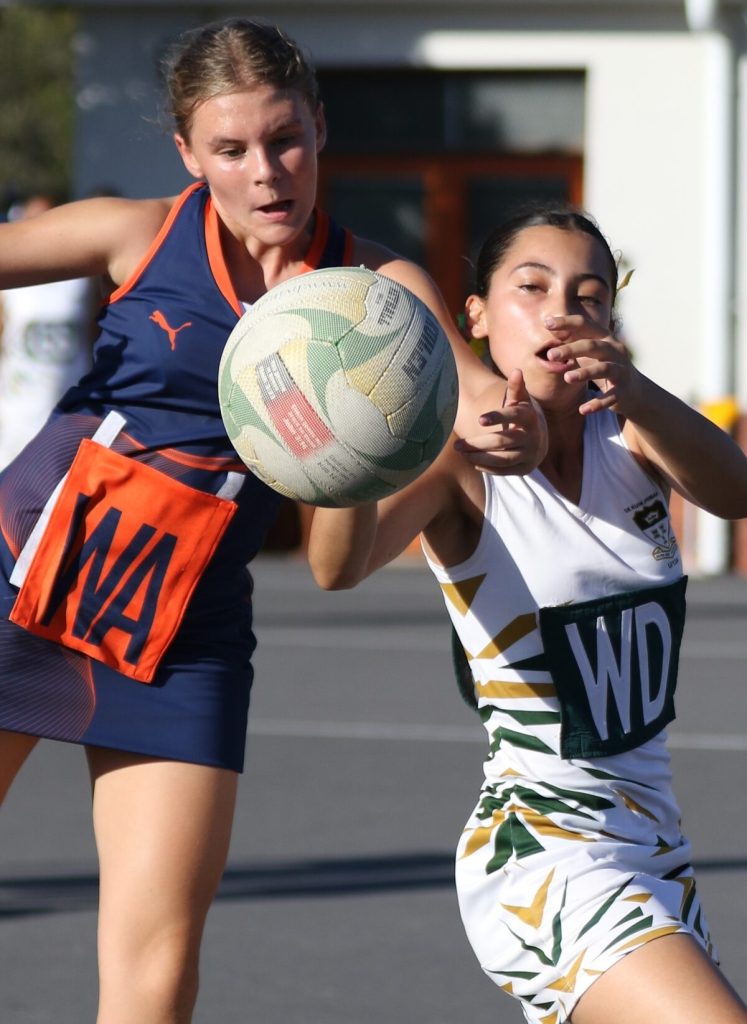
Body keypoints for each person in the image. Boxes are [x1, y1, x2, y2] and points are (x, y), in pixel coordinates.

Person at [0, 17, 545, 1024]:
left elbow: (476, 401)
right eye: (231, 147)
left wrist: (510, 427)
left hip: (183, 632)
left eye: (285, 138)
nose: (265, 171)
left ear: (320, 128)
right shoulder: (137, 234)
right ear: (188, 153)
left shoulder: (377, 292)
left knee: (157, 973)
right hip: (25, 571)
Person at [308, 206, 747, 1024]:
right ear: (475, 315)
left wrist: (638, 390)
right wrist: (354, 447)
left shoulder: (632, 438)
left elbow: (734, 491)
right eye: (532, 287)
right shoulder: (456, 464)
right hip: (543, 852)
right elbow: (335, 569)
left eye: (588, 295)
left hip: (654, 849)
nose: (561, 312)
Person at [0, 193, 97, 467]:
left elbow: (95, 332)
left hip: (69, 410)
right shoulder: (9, 281)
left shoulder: (83, 276)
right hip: (17, 414)